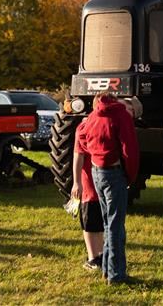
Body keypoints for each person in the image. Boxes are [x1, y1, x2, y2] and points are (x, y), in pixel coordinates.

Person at [74, 92, 139, 285]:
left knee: (108, 222)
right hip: (114, 172)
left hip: (97, 172)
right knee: (116, 226)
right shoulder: (121, 116)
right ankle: (116, 274)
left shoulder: (93, 117)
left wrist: (95, 153)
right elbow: (130, 149)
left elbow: (82, 139)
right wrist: (130, 175)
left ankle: (107, 269)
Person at [70, 116, 104, 272]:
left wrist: (77, 183)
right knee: (98, 222)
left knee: (89, 224)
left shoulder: (84, 126)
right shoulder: (107, 123)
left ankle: (93, 257)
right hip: (99, 183)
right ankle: (100, 255)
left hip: (90, 185)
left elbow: (78, 155)